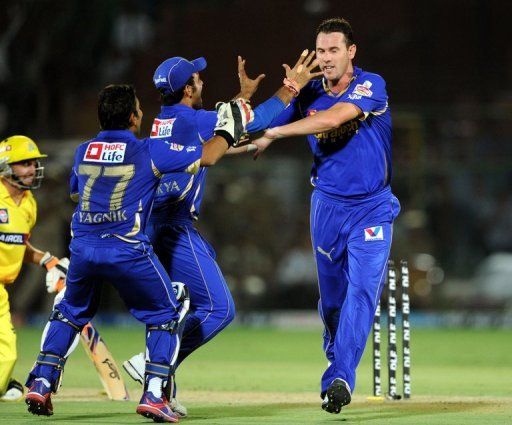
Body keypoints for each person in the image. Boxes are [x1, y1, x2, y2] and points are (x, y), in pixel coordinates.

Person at [24, 84, 251, 422]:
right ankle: (155, 395)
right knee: (168, 312)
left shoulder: (83, 149)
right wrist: (229, 130)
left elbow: (75, 192)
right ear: (133, 117)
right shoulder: (148, 150)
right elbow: (209, 155)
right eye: (140, 110)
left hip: (84, 248)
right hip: (128, 249)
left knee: (70, 311)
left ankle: (41, 382)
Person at [122, 53, 321, 417]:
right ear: (187, 89)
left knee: (171, 312)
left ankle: (160, 391)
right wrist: (292, 86)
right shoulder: (192, 119)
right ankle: (153, 365)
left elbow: (211, 143)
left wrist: (240, 104)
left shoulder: (162, 122)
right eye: (197, 79)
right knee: (218, 308)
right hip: (173, 228)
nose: (202, 81)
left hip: (152, 226)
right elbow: (253, 120)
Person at [252, 17, 401, 414]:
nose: (327, 58)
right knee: (333, 302)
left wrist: (277, 135)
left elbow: (335, 118)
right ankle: (338, 358)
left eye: (334, 50)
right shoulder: (308, 92)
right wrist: (288, 91)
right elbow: (260, 127)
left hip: (372, 207)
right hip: (327, 209)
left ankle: (340, 378)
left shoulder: (372, 85)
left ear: (351, 51)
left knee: (363, 290)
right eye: (321, 51)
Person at [0, 135, 68, 402]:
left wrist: (47, 260)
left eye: (33, 163)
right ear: (6, 166)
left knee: (8, 357)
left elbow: (20, 245)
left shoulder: (29, 204)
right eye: (25, 163)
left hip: (1, 290)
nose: (32, 169)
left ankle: (5, 383)